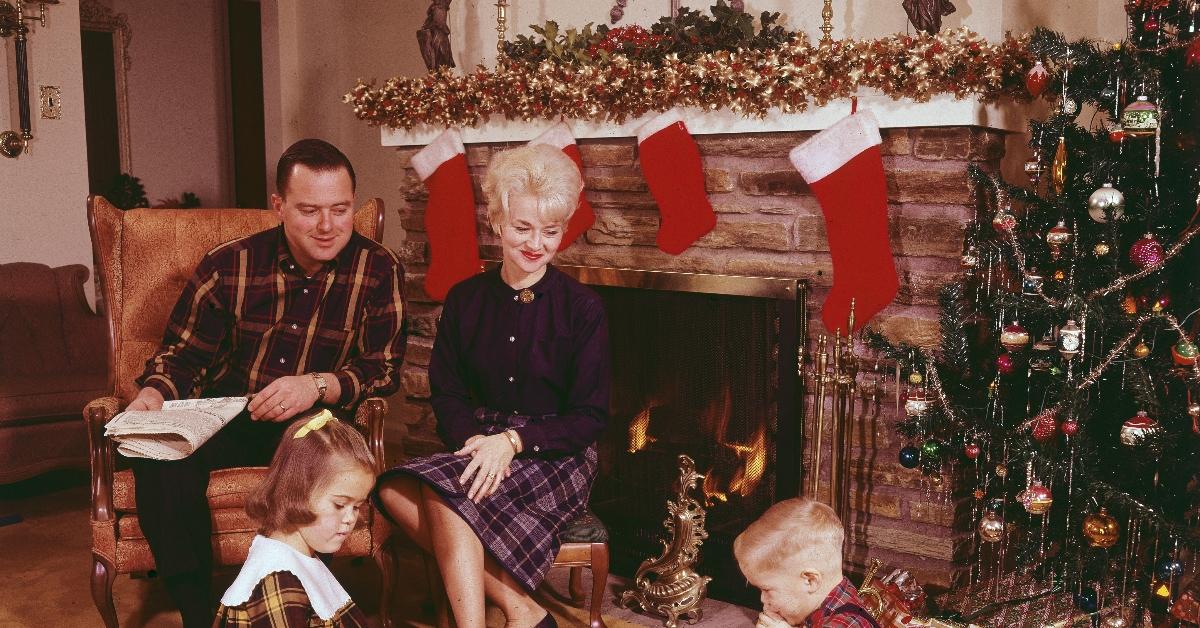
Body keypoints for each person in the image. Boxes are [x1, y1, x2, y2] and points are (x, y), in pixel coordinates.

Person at [124, 138, 407, 628]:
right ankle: (198, 613)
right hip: (227, 415)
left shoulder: (379, 269)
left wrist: (316, 385)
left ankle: (311, 604)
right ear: (279, 205)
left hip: (312, 422)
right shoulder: (228, 264)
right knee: (160, 459)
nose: (327, 226)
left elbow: (382, 368)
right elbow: (183, 355)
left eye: (340, 210)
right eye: (309, 210)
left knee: (321, 455)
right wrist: (153, 394)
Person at [376, 143, 610, 628]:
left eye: (551, 231)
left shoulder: (582, 308)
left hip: (554, 452)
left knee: (443, 496)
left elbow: (589, 417)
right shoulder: (465, 299)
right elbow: (448, 394)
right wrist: (479, 444)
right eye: (522, 228)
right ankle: (522, 609)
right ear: (497, 222)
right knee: (394, 490)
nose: (536, 244)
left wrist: (513, 442)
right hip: (479, 441)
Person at [214, 410, 375, 627]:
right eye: (339, 505)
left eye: (357, 506)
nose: (350, 518)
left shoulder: (298, 558)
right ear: (296, 492)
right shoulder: (278, 580)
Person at [734, 498, 880, 628]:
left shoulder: (849, 624)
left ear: (810, 580)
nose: (762, 599)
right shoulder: (823, 603)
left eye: (767, 590)